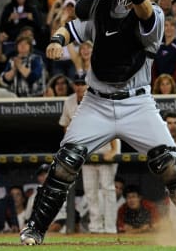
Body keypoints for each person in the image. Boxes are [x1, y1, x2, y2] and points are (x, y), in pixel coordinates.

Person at [20, 0, 176, 245]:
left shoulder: (155, 14)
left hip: (138, 103)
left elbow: (143, 12)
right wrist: (57, 39)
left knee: (171, 164)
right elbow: (74, 27)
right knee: (66, 162)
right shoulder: (103, 8)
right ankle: (35, 229)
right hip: (96, 103)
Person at [58, 73, 120, 234]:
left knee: (107, 188)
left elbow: (113, 125)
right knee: (90, 190)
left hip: (107, 145)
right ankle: (96, 227)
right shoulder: (69, 102)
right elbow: (66, 126)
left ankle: (110, 228)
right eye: (77, 84)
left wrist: (113, 149)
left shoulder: (101, 99)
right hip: (85, 149)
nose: (80, 86)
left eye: (82, 83)